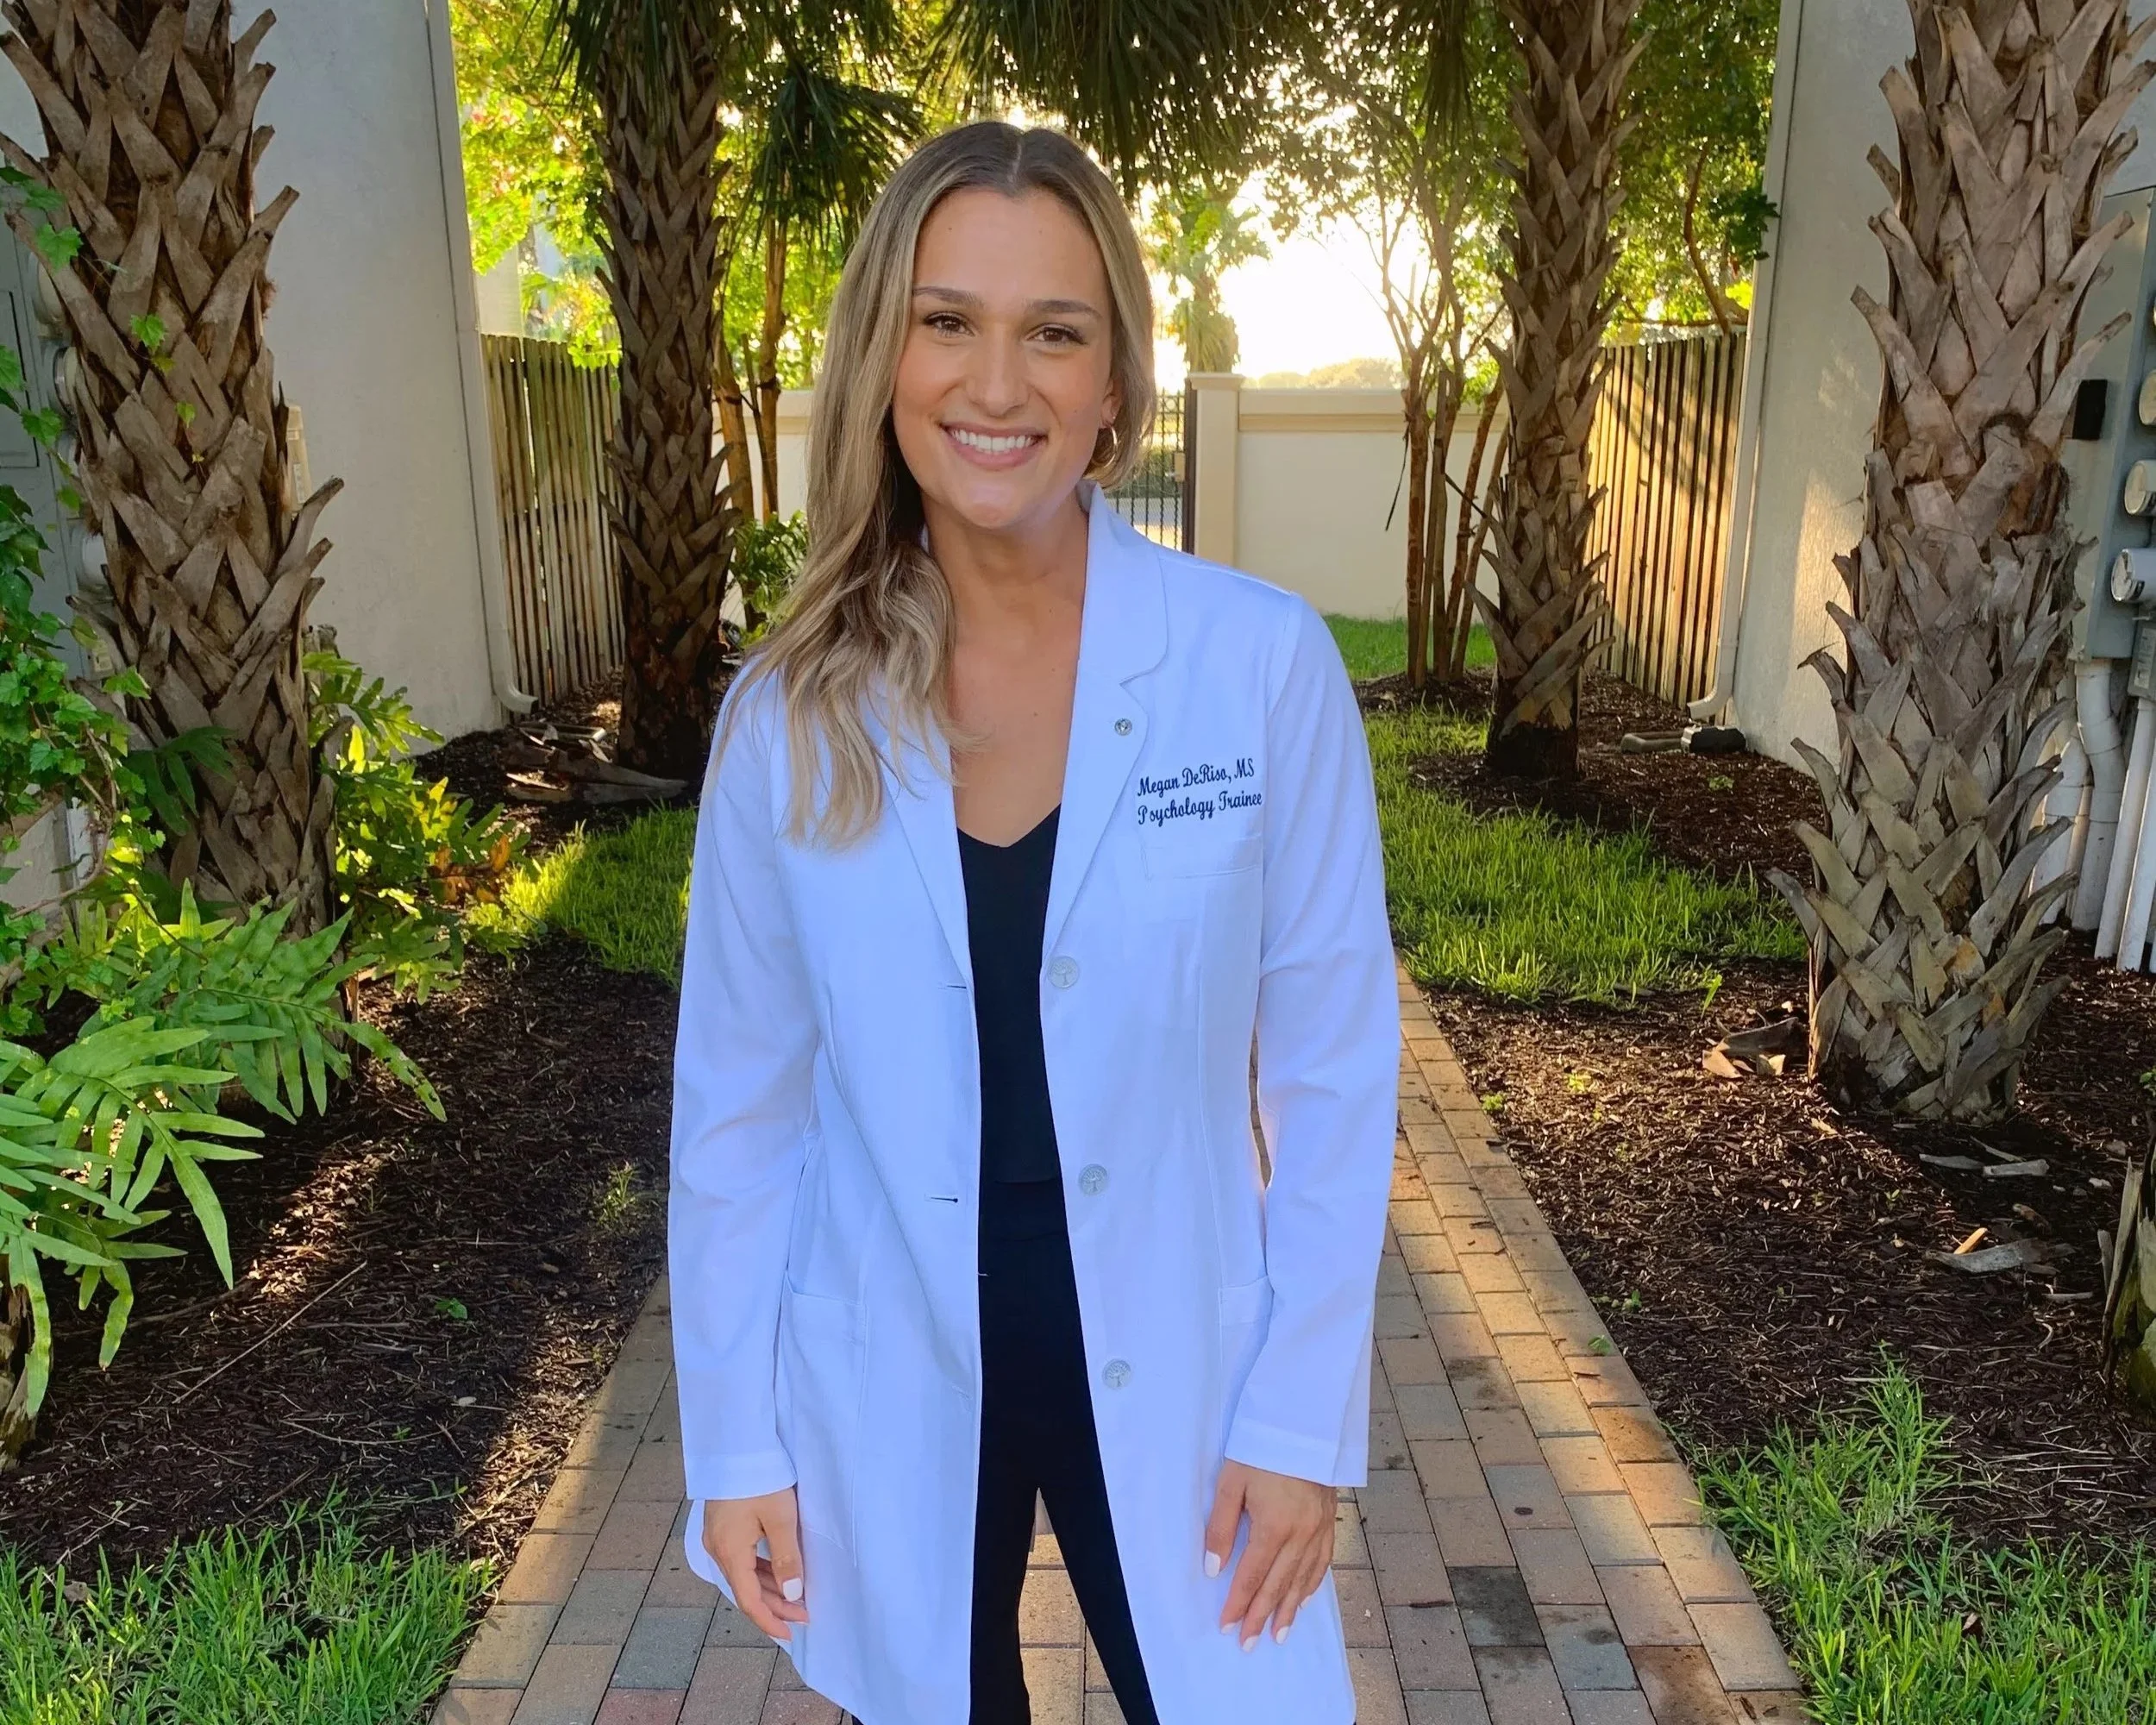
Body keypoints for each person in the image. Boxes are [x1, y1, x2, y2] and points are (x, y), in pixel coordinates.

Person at [668, 120, 1397, 1725]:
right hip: (894, 1339)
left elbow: (1335, 1077)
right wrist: (736, 1437)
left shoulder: (1257, 669)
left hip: (1178, 1330)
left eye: (1052, 333)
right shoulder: (789, 720)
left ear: (1115, 383)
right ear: (883, 356)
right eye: (948, 322)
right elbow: (739, 1110)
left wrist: (1298, 1420)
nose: (997, 386)